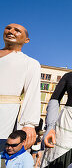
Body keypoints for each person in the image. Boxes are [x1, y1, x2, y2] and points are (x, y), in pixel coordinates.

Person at [0, 23, 41, 152]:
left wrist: (29, 125)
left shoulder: (30, 63)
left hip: (6, 115)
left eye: (17, 30)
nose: (11, 31)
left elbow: (32, 93)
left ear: (26, 40)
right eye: (8, 28)